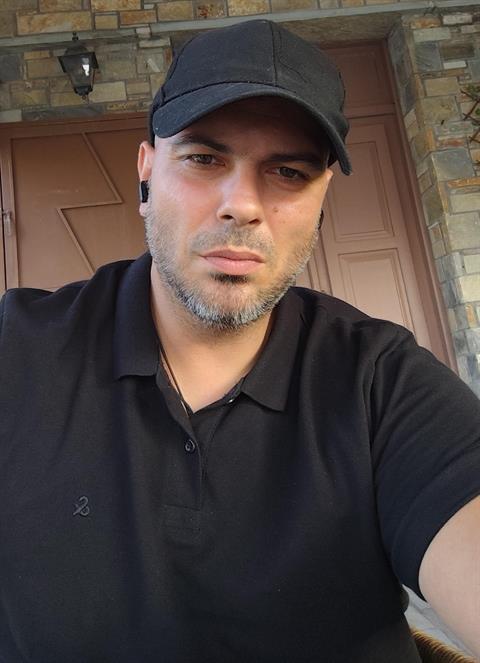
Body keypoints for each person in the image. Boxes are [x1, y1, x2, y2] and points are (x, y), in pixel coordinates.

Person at [0, 19, 479, 663]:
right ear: (146, 175)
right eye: (204, 159)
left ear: (321, 199)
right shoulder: (16, 352)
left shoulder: (382, 383)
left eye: (288, 171)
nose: (242, 205)